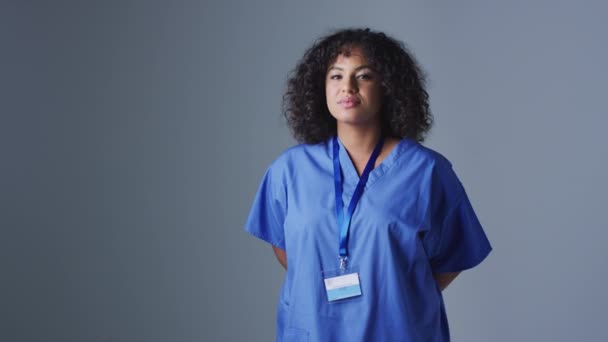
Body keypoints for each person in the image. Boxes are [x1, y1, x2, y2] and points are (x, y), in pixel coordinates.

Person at [244, 27, 492, 342]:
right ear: (319, 87)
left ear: (388, 87)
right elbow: (285, 249)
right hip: (313, 332)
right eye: (335, 76)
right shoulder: (289, 170)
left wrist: (394, 294)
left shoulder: (426, 172)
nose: (347, 87)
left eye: (363, 76)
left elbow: (449, 261)